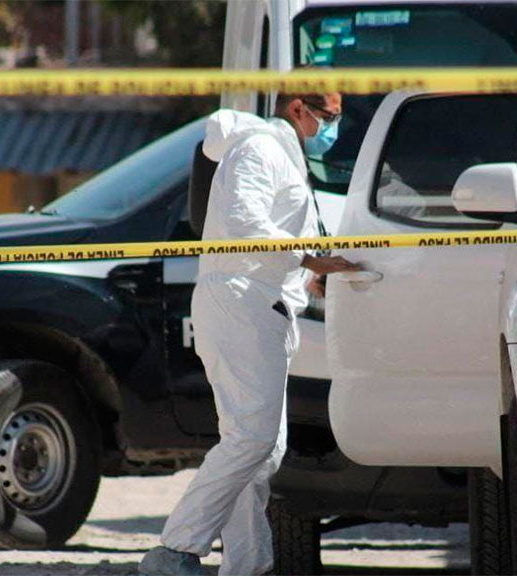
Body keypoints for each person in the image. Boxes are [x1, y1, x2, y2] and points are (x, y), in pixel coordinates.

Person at [139, 91, 361, 576]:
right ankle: (175, 550)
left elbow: (273, 233)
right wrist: (306, 258)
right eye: (328, 117)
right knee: (252, 440)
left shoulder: (282, 155)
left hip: (260, 307)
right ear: (298, 108)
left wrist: (310, 273)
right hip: (241, 305)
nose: (332, 128)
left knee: (260, 449)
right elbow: (244, 223)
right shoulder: (260, 148)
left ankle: (247, 565)